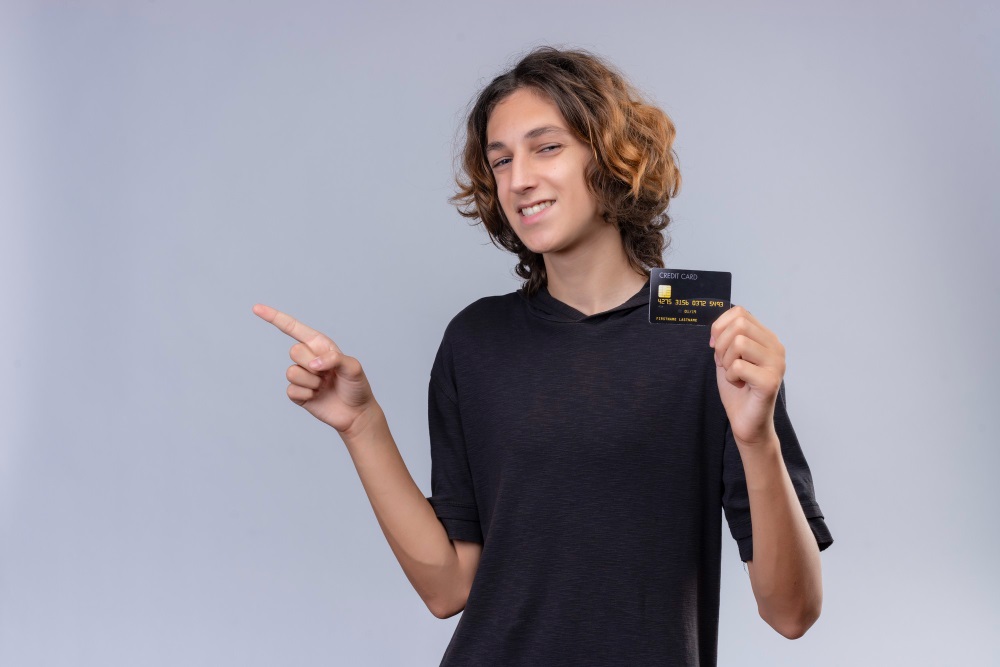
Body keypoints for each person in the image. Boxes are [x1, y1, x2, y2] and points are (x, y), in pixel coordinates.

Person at [254, 46, 832, 666]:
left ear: (611, 156)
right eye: (500, 161)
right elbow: (449, 588)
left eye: (546, 147)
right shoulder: (476, 342)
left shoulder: (712, 344)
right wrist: (361, 424)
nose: (518, 178)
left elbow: (791, 614)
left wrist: (758, 441)